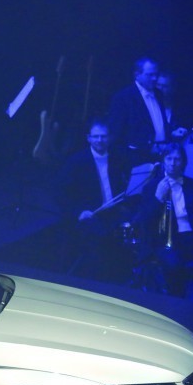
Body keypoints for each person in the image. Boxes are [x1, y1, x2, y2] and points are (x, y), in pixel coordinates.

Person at [55, 118, 136, 280]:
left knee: (137, 223)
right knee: (101, 241)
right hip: (90, 214)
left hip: (112, 210)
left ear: (110, 138)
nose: (100, 140)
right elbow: (60, 193)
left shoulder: (117, 158)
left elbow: (122, 184)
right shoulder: (76, 161)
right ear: (88, 138)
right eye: (96, 136)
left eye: (103, 136)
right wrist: (79, 212)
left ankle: (125, 273)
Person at [137, 143, 193, 295]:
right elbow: (145, 222)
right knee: (174, 265)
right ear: (163, 161)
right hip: (166, 241)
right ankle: (177, 302)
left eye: (177, 159)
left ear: (183, 162)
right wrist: (158, 198)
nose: (173, 163)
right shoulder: (151, 187)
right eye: (169, 158)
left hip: (191, 238)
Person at [108, 58, 182, 166]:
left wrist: (171, 133)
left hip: (161, 158)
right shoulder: (124, 98)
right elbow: (116, 135)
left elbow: (157, 125)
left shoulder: (159, 94)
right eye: (150, 75)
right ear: (137, 74)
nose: (154, 78)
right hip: (135, 160)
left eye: (156, 74)